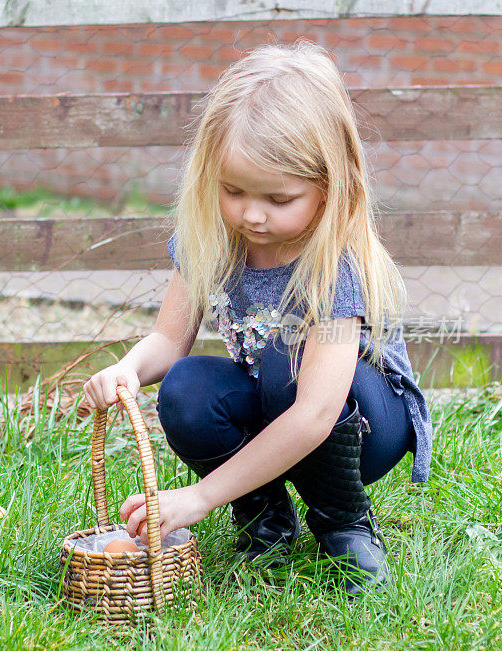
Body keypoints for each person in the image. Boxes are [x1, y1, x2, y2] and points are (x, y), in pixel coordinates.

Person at [82, 41, 433, 596]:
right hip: (279, 403)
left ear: (329, 186)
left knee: (282, 358)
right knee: (186, 388)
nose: (251, 213)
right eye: (233, 190)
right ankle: (265, 518)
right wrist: (129, 368)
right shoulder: (214, 241)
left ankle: (344, 523)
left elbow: (317, 412)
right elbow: (168, 340)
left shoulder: (334, 266)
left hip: (362, 424)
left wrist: (197, 498)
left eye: (278, 197)